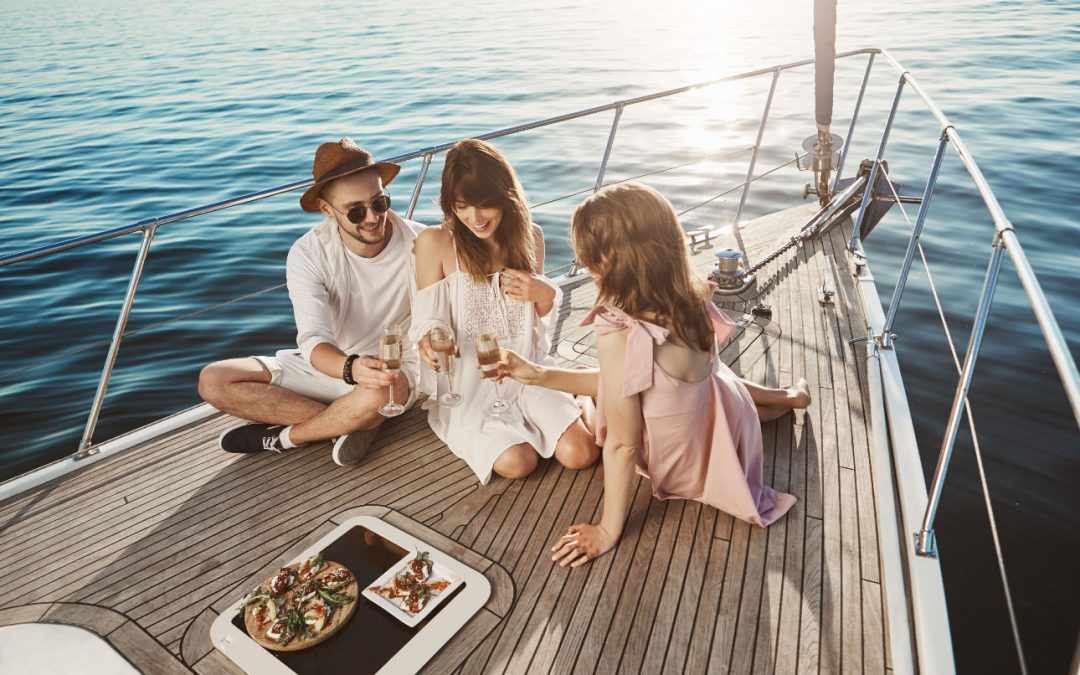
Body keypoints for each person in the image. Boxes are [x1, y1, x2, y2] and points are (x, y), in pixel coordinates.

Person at [496, 182, 811, 567]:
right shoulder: (690, 292)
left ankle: (785, 400)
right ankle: (787, 398)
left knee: (603, 414)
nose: (587, 268)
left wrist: (609, 530)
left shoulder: (619, 331)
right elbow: (650, 382)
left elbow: (623, 446)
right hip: (724, 420)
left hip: (682, 464)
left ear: (614, 262)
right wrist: (539, 375)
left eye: (591, 260)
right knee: (718, 382)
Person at [198, 138, 423, 465]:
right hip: (334, 366)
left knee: (377, 393)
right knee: (214, 380)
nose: (372, 217)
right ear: (327, 211)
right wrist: (352, 368)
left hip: (393, 373)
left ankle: (285, 437)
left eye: (380, 203)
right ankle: (347, 423)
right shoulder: (308, 253)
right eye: (356, 210)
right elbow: (314, 341)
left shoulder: (421, 244)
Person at [410, 138, 598, 484]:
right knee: (516, 463)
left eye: (485, 205)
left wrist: (545, 293)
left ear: (504, 197)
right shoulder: (434, 242)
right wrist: (430, 338)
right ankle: (575, 388)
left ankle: (581, 390)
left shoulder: (531, 238)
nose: (475, 218)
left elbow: (538, 325)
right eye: (463, 206)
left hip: (527, 372)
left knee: (581, 454)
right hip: (470, 385)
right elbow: (428, 316)